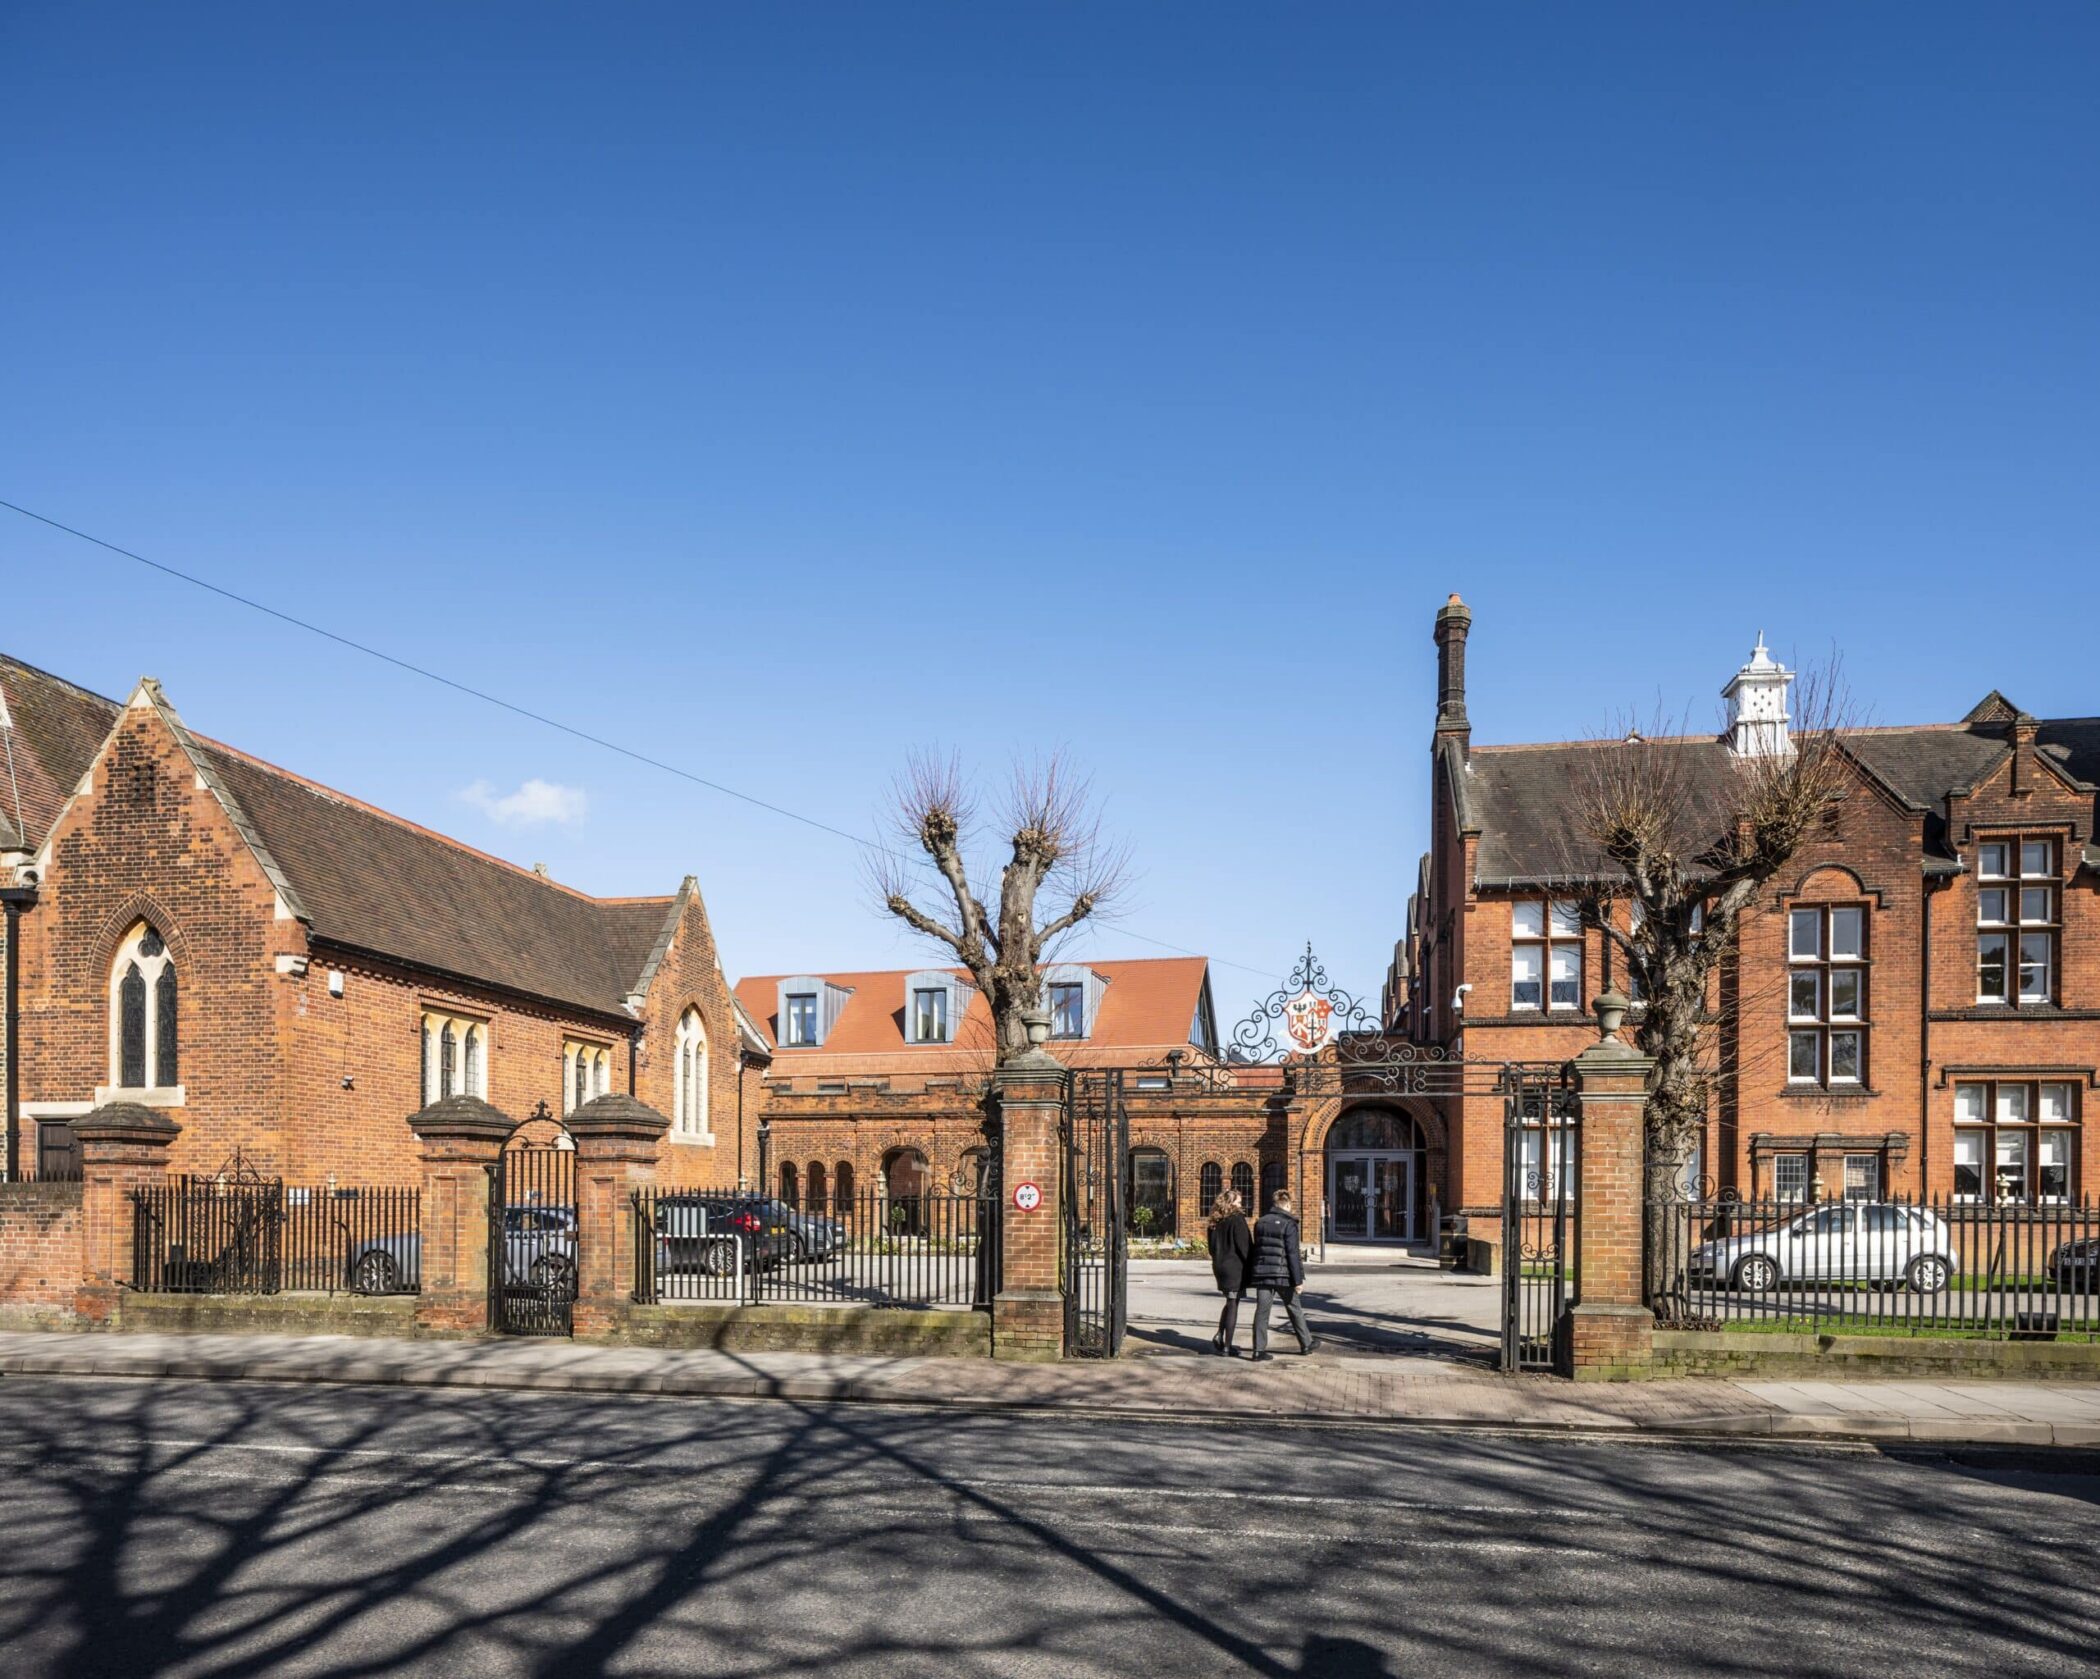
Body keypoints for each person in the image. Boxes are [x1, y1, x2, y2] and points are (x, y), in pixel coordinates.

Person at [1247, 1189, 1317, 1360]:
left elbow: (1258, 1247)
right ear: (1287, 1204)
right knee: (1294, 1309)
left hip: (1263, 1273)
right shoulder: (1289, 1223)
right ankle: (1306, 1343)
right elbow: (1292, 1253)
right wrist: (1298, 1280)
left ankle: (1258, 1349)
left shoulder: (1261, 1222)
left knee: (1262, 1312)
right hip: (1283, 1274)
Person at [1205, 1189, 1252, 1356]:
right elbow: (1244, 1246)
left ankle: (1219, 1334)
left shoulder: (1214, 1222)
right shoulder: (1237, 1219)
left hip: (1220, 1266)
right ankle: (1227, 1346)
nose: (1241, 1205)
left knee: (1230, 1301)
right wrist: (1251, 1265)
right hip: (1235, 1267)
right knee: (1233, 1304)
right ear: (1231, 1203)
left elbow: (1211, 1248)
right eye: (1238, 1202)